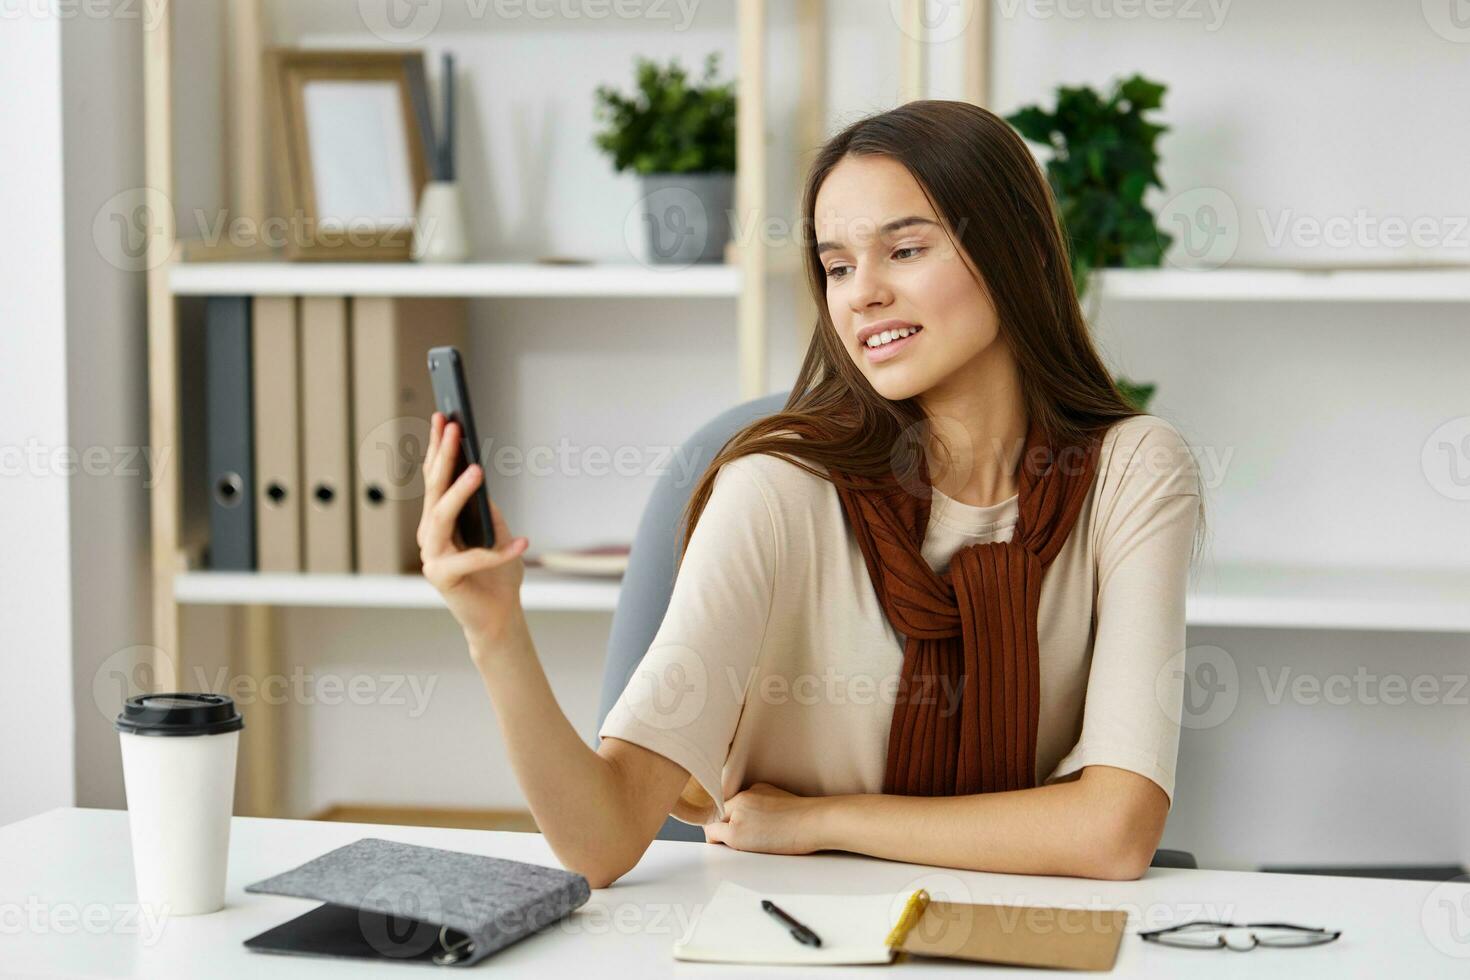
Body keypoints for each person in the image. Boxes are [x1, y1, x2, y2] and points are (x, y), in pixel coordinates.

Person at [417, 100, 1206, 889]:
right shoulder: (774, 495)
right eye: (836, 266)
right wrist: (494, 630)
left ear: (1023, 252)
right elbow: (604, 837)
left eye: (904, 249)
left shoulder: (1132, 473)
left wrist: (820, 821)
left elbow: (1113, 833)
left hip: (1026, 940)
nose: (862, 294)